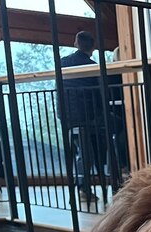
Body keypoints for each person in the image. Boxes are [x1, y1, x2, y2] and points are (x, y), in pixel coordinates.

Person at [59, 31, 106, 204]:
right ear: (93, 47)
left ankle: (83, 187)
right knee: (91, 152)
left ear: (76, 43)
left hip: (67, 116)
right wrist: (102, 113)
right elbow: (100, 94)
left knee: (82, 152)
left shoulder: (63, 63)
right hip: (89, 116)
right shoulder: (92, 66)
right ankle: (94, 185)